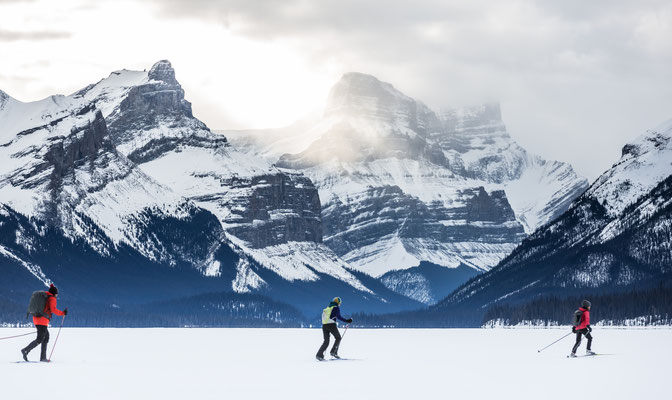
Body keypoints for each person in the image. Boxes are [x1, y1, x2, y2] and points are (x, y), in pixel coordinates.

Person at [21, 284, 68, 362]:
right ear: (54, 293)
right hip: (42, 320)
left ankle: (43, 357)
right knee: (40, 339)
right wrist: (62, 313)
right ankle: (26, 350)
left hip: (36, 318)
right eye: (56, 293)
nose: (57, 295)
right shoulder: (52, 298)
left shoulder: (45, 296)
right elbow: (53, 310)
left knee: (45, 337)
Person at [316, 297, 352, 361]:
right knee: (338, 338)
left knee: (326, 341)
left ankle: (319, 355)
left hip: (324, 326)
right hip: (331, 325)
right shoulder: (336, 307)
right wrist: (347, 321)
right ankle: (334, 352)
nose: (340, 304)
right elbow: (338, 317)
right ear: (338, 303)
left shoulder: (328, 307)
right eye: (340, 303)